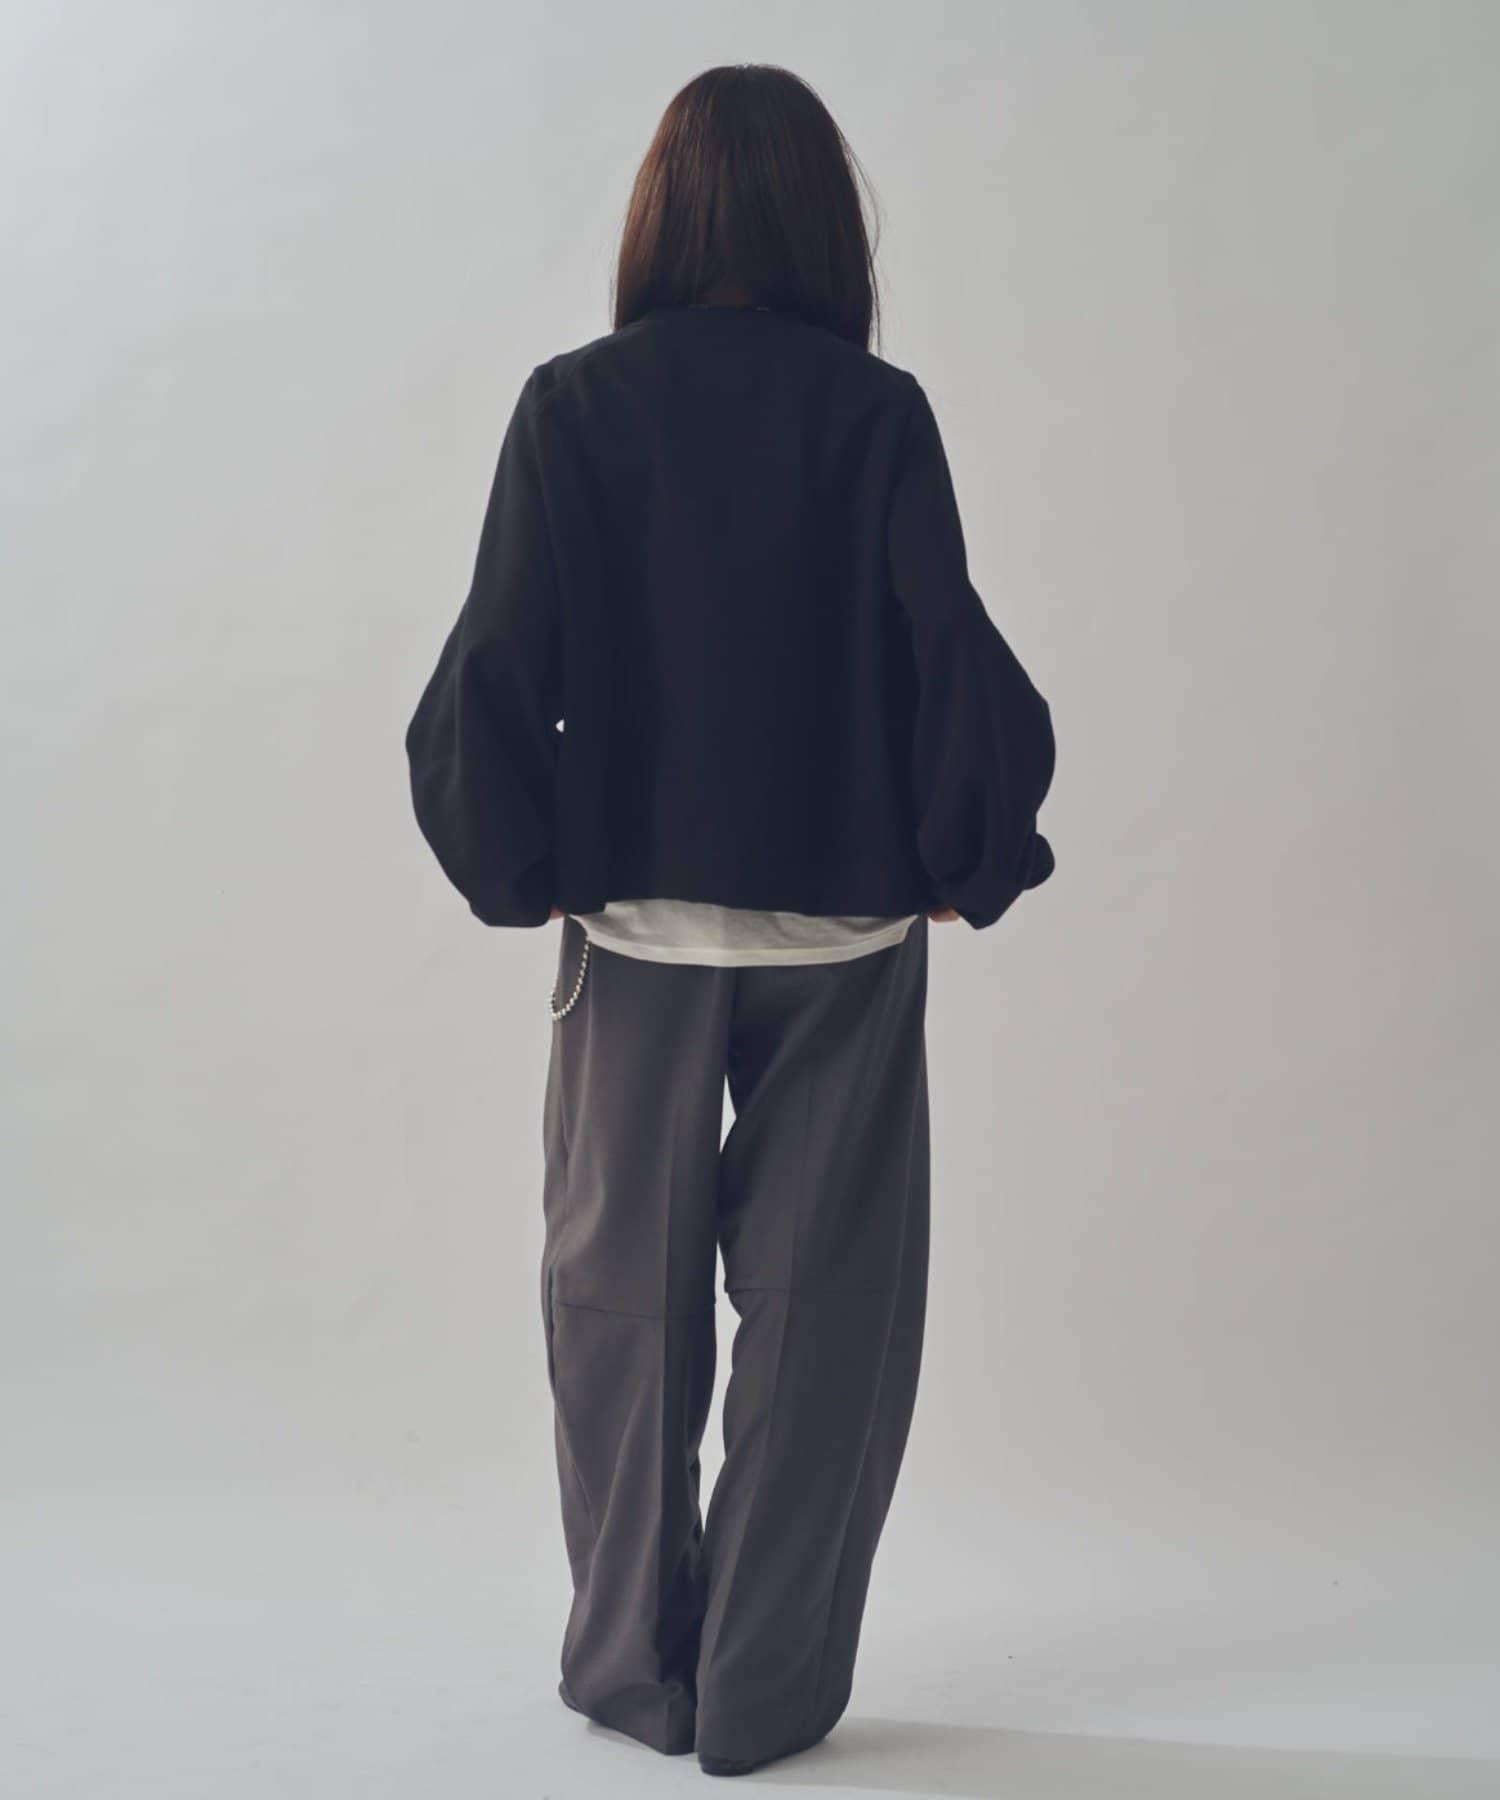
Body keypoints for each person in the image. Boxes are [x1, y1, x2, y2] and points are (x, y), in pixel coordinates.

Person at [404, 62, 1055, 1779]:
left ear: (659, 214)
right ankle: (764, 1697)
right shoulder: (875, 415)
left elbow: (490, 671)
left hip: (630, 934)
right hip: (844, 938)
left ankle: (633, 1665)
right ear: (827, 226)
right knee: (828, 1321)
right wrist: (967, 852)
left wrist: (519, 866)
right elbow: (948, 657)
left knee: (615, 1306)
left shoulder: (575, 406)